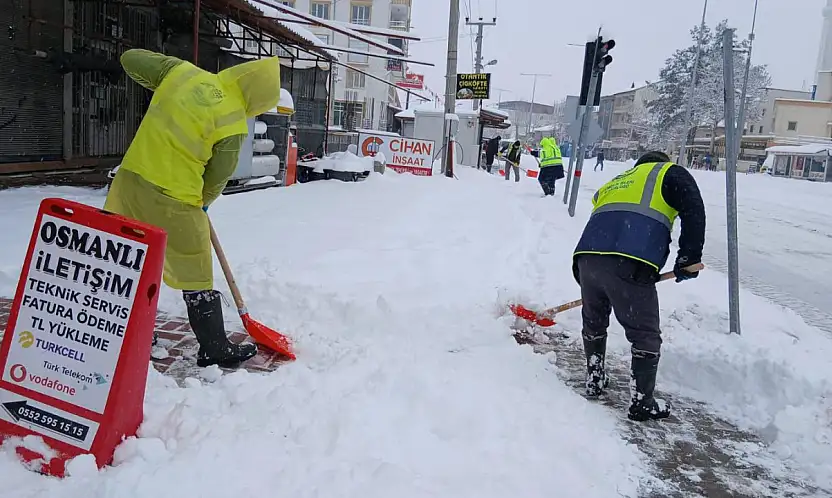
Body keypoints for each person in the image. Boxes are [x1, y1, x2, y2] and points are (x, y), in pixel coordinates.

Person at [104, 49, 282, 367]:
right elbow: (216, 179)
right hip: (175, 197)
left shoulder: (182, 72)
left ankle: (128, 332)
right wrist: (203, 205)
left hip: (128, 183)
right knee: (195, 270)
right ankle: (214, 348)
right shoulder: (233, 121)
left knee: (131, 259)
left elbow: (130, 59)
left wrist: (164, 81)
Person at [572, 151, 706, 421]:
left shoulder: (617, 181)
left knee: (594, 322)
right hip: (630, 259)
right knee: (643, 333)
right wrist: (689, 256)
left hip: (586, 258)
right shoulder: (668, 172)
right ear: (661, 161)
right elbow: (693, 208)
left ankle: (594, 378)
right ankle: (643, 402)